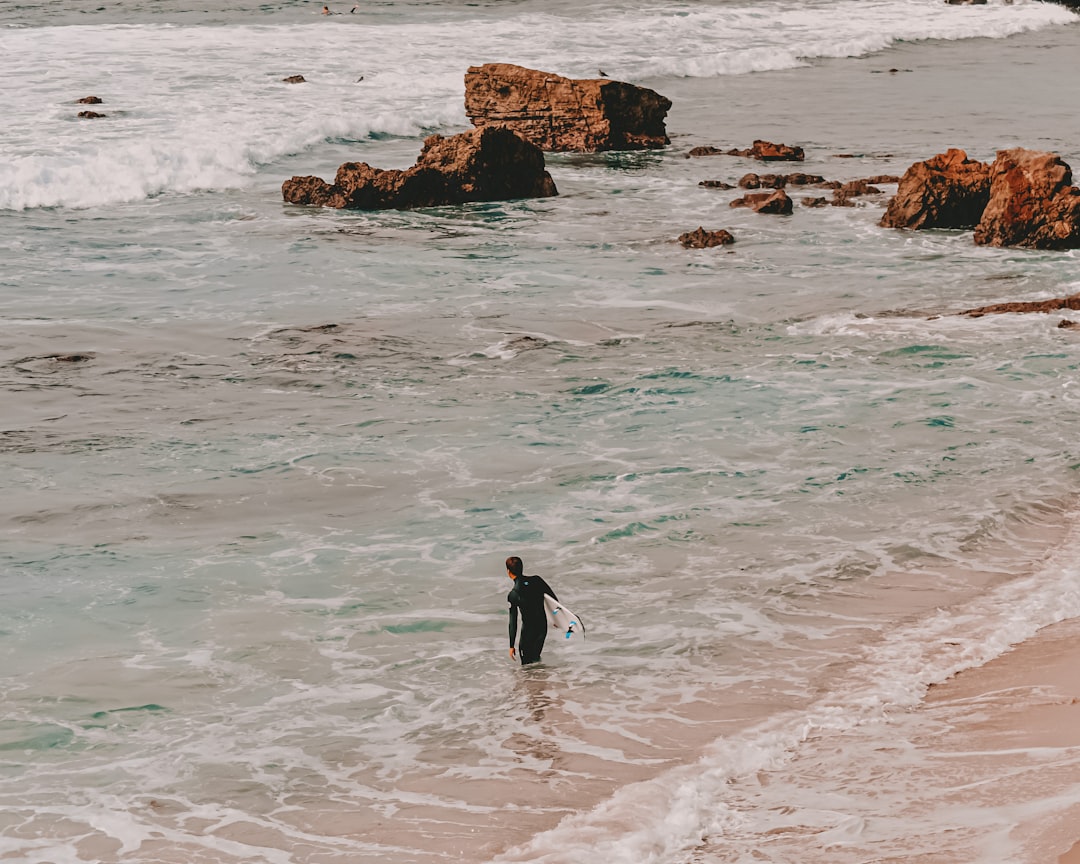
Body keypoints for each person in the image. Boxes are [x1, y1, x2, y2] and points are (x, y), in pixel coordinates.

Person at [505, 555, 557, 665]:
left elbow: (513, 622)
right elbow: (554, 600)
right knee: (536, 658)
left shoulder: (513, 595)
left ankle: (533, 681)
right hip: (542, 629)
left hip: (528, 633)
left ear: (509, 572)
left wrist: (511, 646)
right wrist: (556, 620)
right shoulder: (537, 580)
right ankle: (541, 680)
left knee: (527, 665)